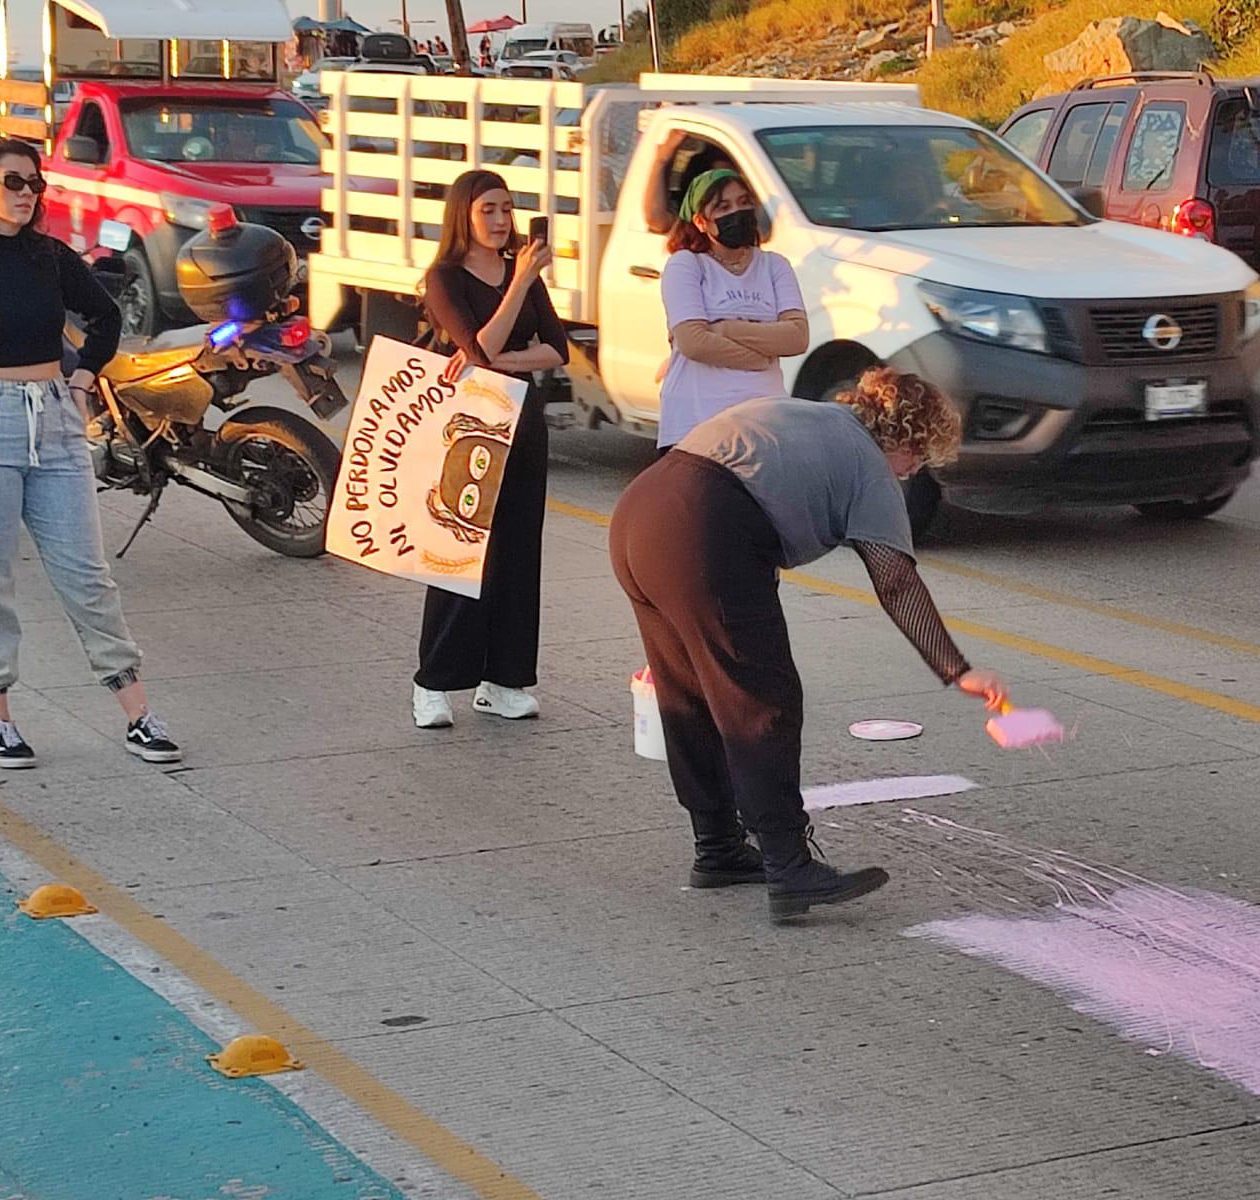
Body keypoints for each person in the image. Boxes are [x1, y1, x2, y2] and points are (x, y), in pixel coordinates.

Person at [608, 368, 1010, 922]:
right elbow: (894, 579)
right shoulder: (870, 465)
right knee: (761, 700)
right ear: (904, 440)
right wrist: (955, 668)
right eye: (918, 459)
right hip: (702, 528)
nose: (914, 472)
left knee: (689, 693)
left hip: (640, 513)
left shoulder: (815, 416)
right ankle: (789, 867)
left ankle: (718, 848)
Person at [0, 139, 181, 768]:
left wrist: (79, 383)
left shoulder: (50, 256)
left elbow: (104, 318)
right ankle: (0, 718)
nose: (27, 193)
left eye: (34, 184)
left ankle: (137, 714)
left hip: (53, 415)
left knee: (87, 576)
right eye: (13, 182)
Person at [412, 169, 569, 730]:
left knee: (519, 552)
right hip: (470, 429)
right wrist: (519, 287)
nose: (502, 222)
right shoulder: (445, 278)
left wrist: (496, 358)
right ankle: (432, 682)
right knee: (461, 550)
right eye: (489, 211)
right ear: (464, 215)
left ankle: (503, 680)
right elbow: (477, 344)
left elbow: (557, 351)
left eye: (508, 210)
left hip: (523, 423)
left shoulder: (520, 272)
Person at [657, 169, 807, 451]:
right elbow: (693, 343)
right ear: (701, 221)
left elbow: (797, 336)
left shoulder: (775, 266)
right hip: (699, 423)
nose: (737, 212)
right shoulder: (687, 265)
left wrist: (724, 328)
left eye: (743, 202)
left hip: (765, 422)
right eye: (723, 207)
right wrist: (758, 358)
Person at [643, 130, 734, 235]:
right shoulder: (693, 224)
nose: (728, 188)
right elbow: (656, 219)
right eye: (717, 183)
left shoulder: (747, 212)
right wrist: (661, 160)